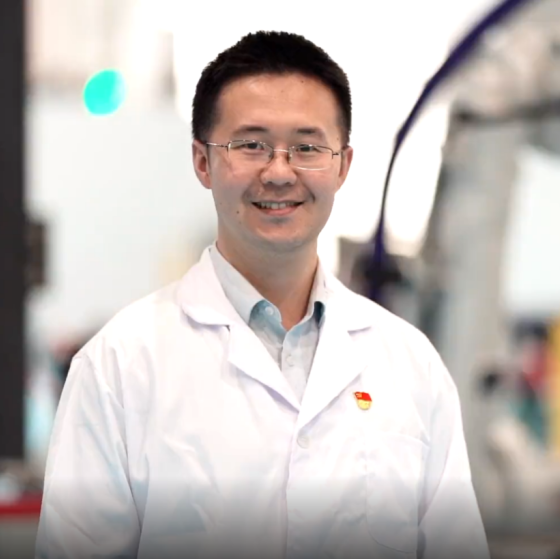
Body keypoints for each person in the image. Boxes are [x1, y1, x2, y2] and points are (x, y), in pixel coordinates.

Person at [36, 31, 489, 559]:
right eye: (251, 145)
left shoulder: (411, 366)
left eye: (307, 147)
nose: (279, 172)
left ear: (342, 165)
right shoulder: (119, 366)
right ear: (202, 161)